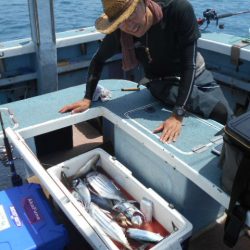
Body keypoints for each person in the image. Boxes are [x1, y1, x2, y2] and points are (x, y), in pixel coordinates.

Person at [60, 0, 232, 143]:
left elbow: (189, 65)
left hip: (197, 74)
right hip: (162, 83)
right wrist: (87, 97)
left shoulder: (178, 9)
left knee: (229, 117)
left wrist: (177, 114)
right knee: (219, 112)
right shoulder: (121, 33)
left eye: (131, 13)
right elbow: (98, 60)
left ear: (144, 2)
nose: (129, 25)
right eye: (121, 21)